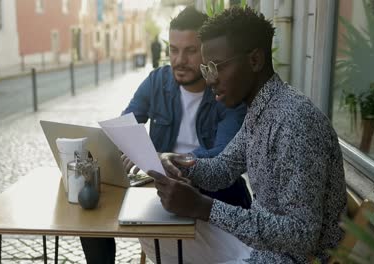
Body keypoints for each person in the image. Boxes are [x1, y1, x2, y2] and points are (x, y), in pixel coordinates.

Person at [148, 6, 347, 263]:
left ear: (254, 60)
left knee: (168, 241)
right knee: (156, 232)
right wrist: (180, 165)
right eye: (206, 68)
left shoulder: (294, 121)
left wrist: (203, 207)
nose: (210, 80)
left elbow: (301, 235)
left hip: (288, 258)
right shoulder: (261, 109)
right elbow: (222, 169)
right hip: (263, 247)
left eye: (216, 67)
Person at [80, 6, 251, 264]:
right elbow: (125, 124)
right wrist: (114, 147)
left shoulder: (227, 91)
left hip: (216, 197)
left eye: (190, 51)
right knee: (92, 211)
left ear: (208, 52)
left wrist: (167, 159)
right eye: (173, 49)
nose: (179, 60)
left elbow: (223, 157)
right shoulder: (157, 81)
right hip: (159, 191)